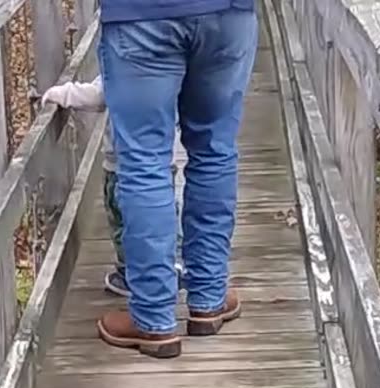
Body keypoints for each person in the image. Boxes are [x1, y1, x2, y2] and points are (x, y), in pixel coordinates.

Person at [95, 0, 258, 358]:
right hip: (226, 14)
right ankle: (209, 298)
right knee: (214, 150)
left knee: (143, 162)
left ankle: (153, 318)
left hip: (140, 16)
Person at [42, 76, 187, 297]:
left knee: (122, 219)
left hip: (122, 163)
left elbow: (99, 94)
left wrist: (63, 94)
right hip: (163, 160)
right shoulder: (171, 63)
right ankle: (171, 264)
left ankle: (132, 274)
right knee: (165, 213)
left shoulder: (125, 58)